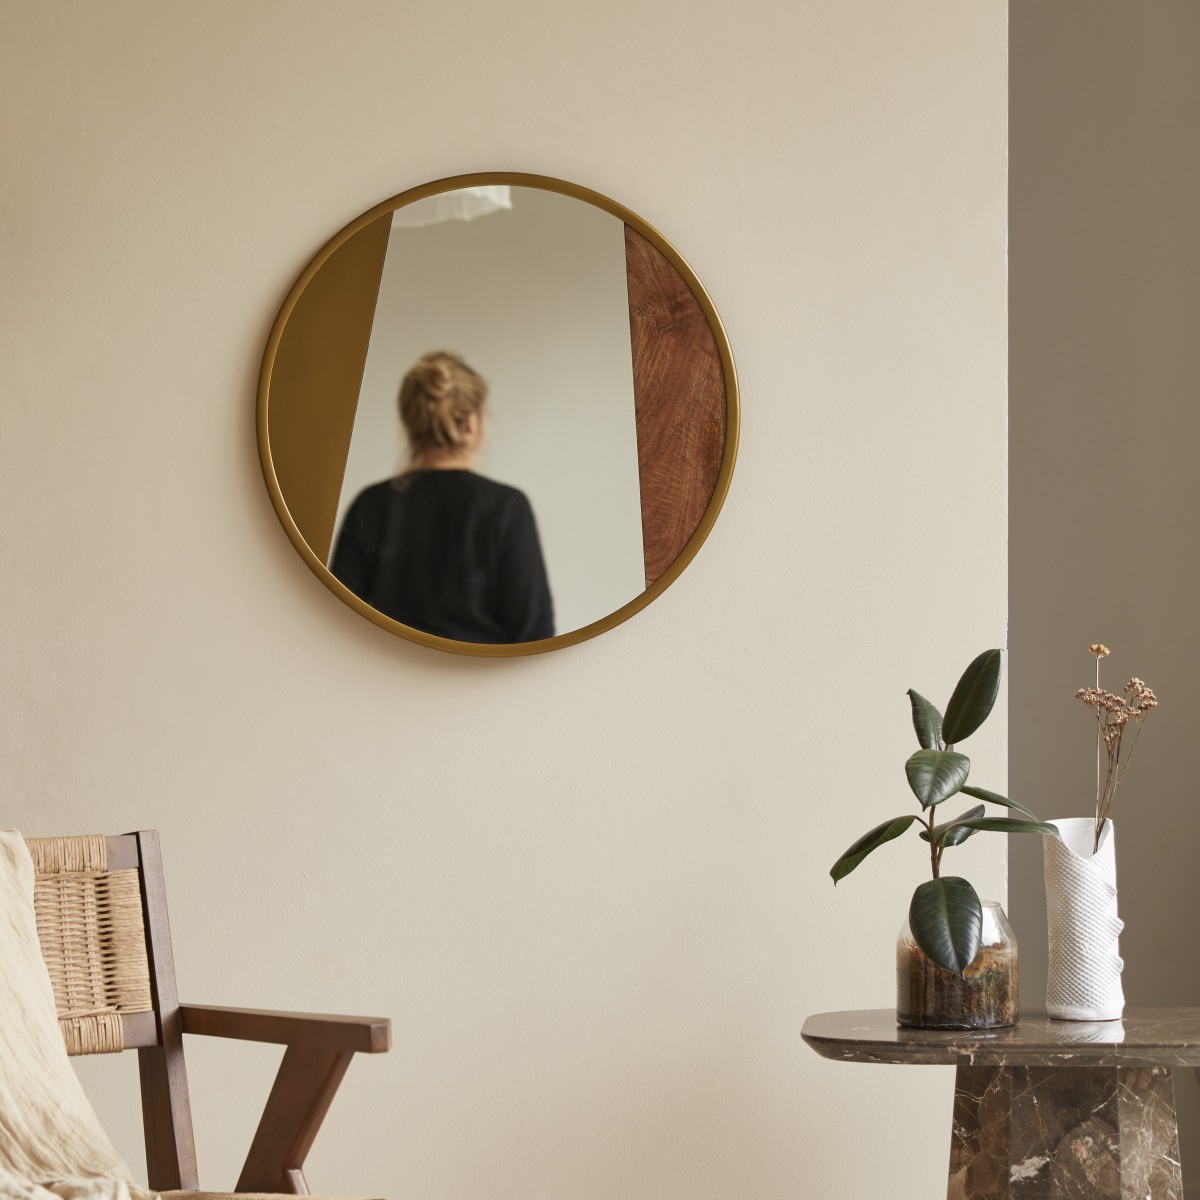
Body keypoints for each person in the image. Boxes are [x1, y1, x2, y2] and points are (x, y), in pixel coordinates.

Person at [330, 351, 554, 643]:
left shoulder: (371, 503)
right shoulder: (506, 506)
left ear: (411, 424)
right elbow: (535, 634)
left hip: (381, 669)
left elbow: (336, 619)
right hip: (479, 673)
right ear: (471, 423)